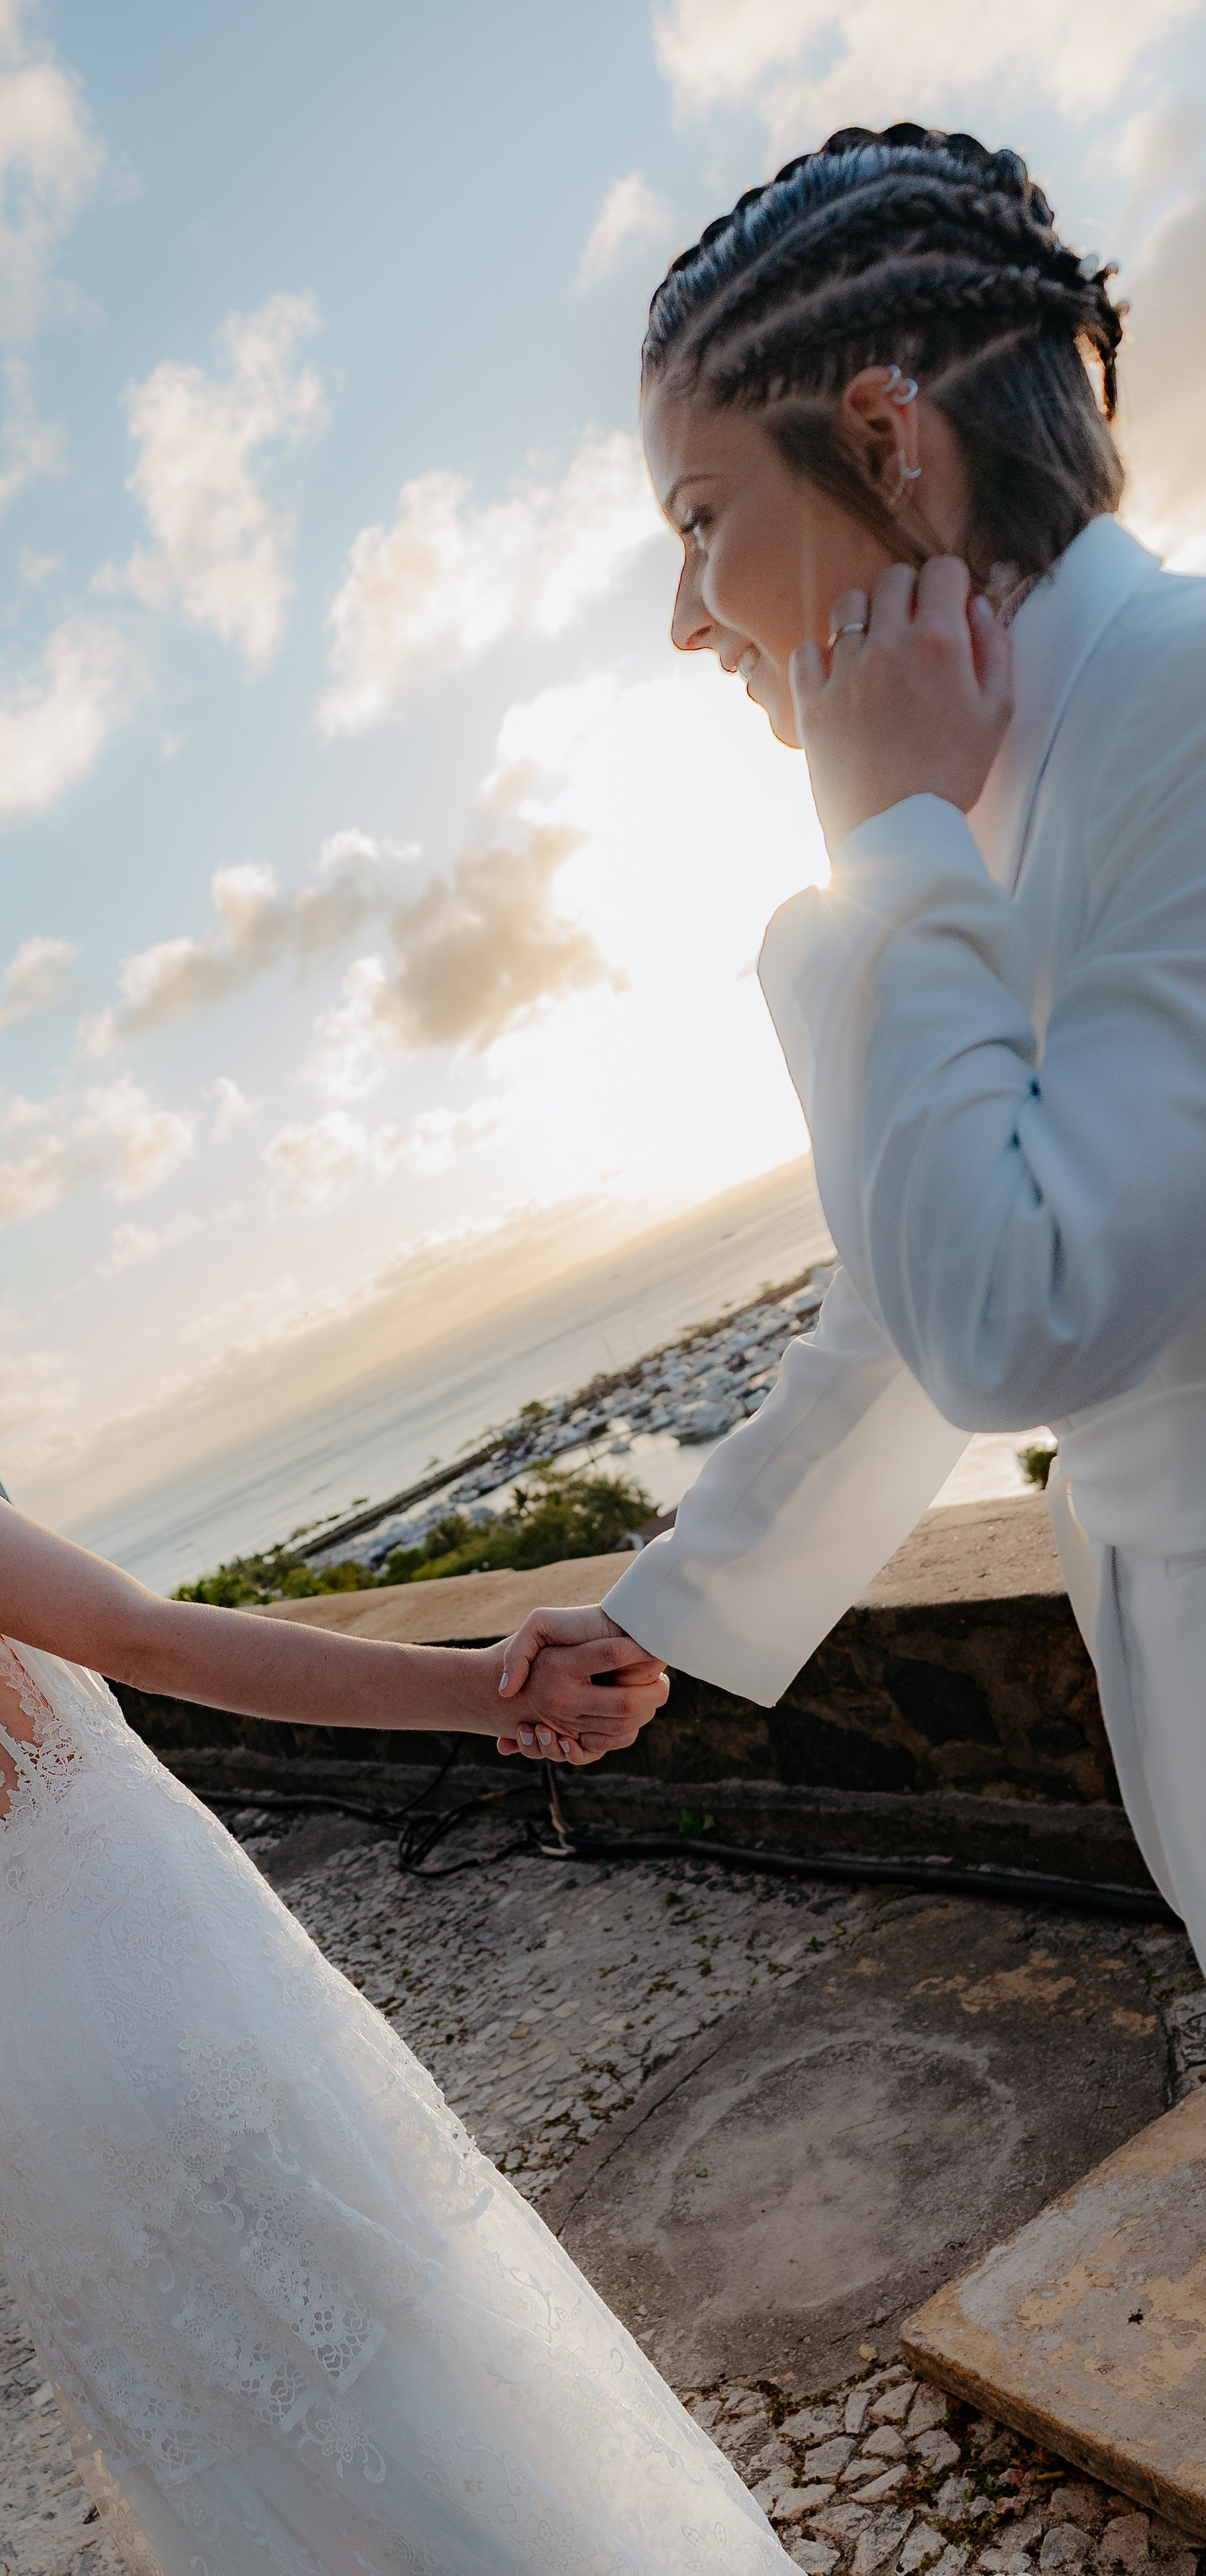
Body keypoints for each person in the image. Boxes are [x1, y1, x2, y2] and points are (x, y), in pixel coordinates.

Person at [0, 1153, 794, 2576]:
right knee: (411, 2345)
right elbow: (146, 1640)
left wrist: (10, 2031)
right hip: (151, 1956)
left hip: (9, 2051)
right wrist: (490, 1688)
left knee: (281, 2436)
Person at [494, 122, 1206, 1971]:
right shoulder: (1006, 791)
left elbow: (1019, 1314)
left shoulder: (1184, 712)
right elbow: (904, 1310)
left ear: (888, 443)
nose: (680, 615)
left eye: (699, 518)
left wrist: (879, 847)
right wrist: (671, 1604)